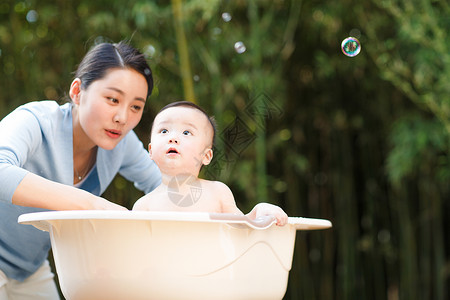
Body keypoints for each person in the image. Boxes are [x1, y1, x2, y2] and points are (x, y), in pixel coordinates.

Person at [0, 41, 161, 299]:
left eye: (135, 107)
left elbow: (165, 188)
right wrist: (92, 205)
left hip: (28, 269)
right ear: (77, 91)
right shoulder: (36, 121)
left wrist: (229, 213)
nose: (122, 117)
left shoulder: (122, 143)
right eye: (112, 99)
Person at [132, 101, 288, 225]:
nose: (172, 138)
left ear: (206, 156)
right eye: (164, 131)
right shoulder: (144, 206)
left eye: (186, 132)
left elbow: (242, 229)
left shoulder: (218, 192)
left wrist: (258, 212)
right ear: (150, 151)